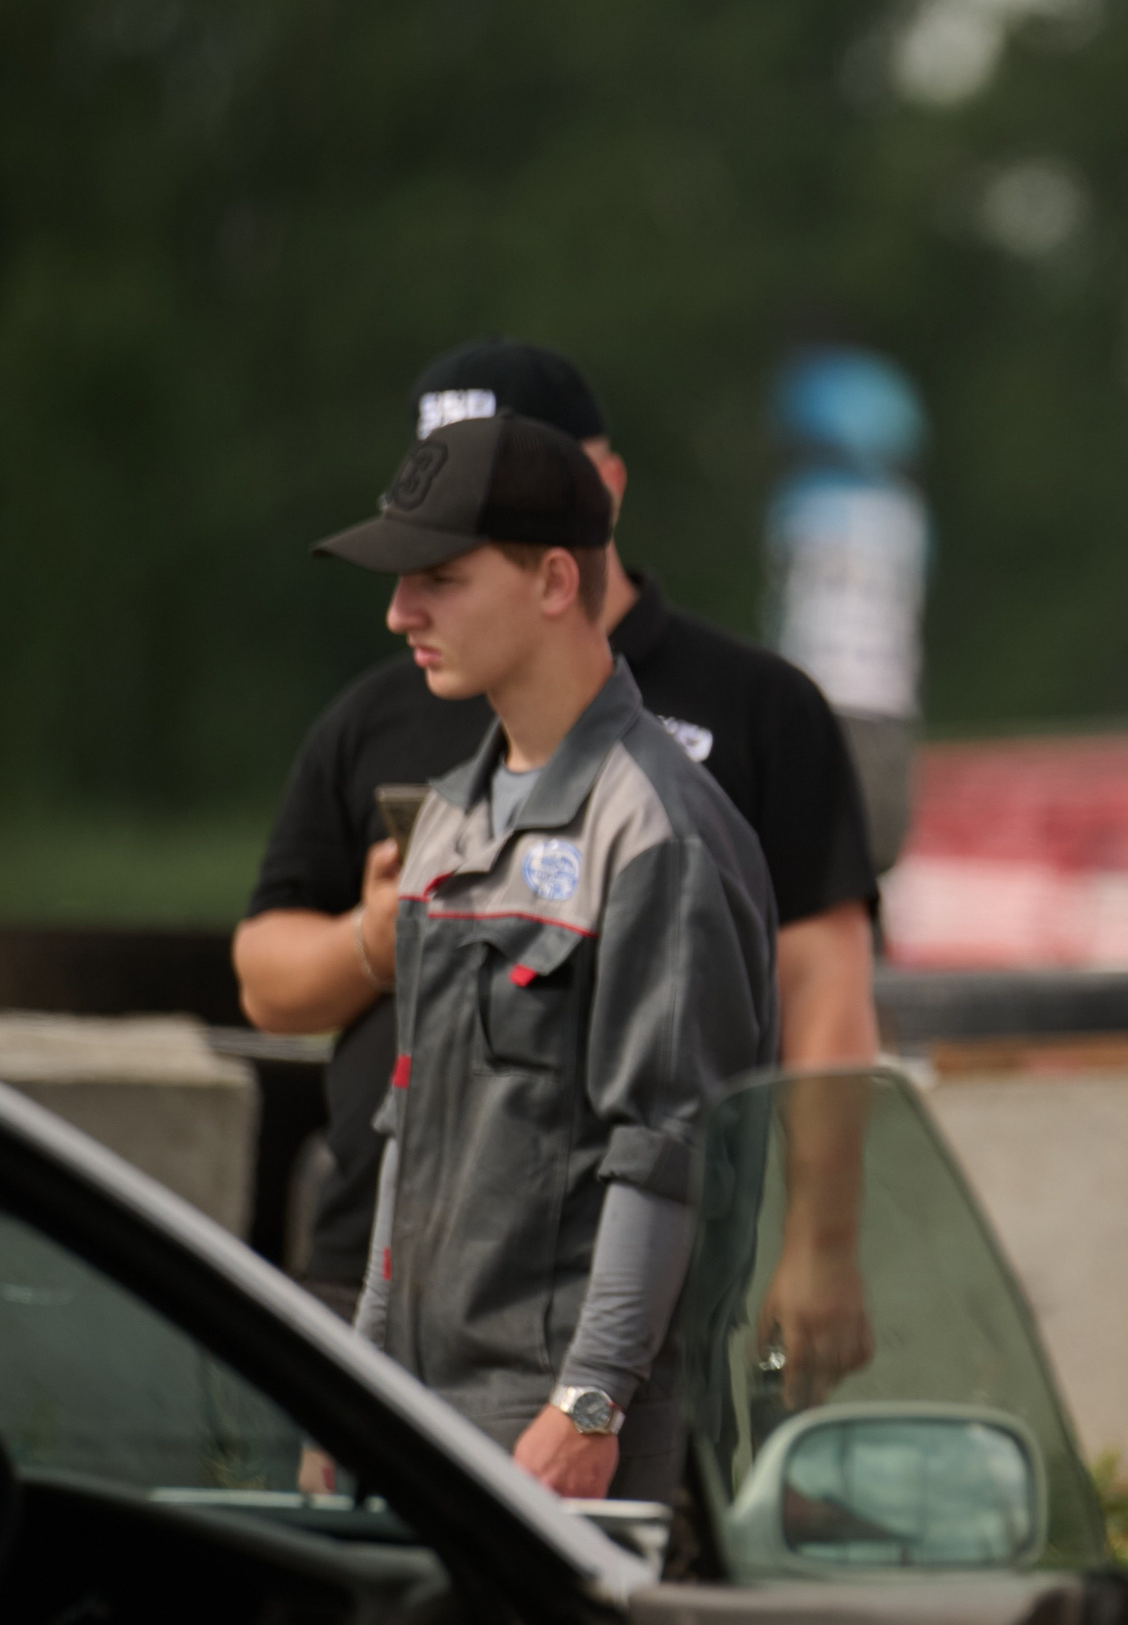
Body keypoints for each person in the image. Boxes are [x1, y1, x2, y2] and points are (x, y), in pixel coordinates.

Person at [233, 339, 879, 1399]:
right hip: (393, 1276)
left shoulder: (725, 738)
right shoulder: (411, 730)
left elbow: (795, 1013)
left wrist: (822, 1236)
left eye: (447, 566)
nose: (407, 610)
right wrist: (377, 933)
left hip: (569, 1319)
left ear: (595, 497)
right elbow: (270, 978)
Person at [311, 411, 776, 1501]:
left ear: (556, 579)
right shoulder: (448, 820)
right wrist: (360, 1378)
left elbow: (666, 1145)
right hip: (426, 1416)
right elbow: (409, 1130)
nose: (399, 610)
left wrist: (591, 1402)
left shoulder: (656, 826)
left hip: (561, 1443)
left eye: (440, 577)